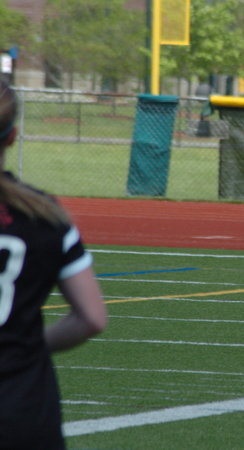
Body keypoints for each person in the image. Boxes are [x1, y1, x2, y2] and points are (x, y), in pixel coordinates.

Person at [0, 80, 107, 448]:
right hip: (24, 408)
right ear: (12, 137)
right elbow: (92, 318)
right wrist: (27, 345)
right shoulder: (45, 214)